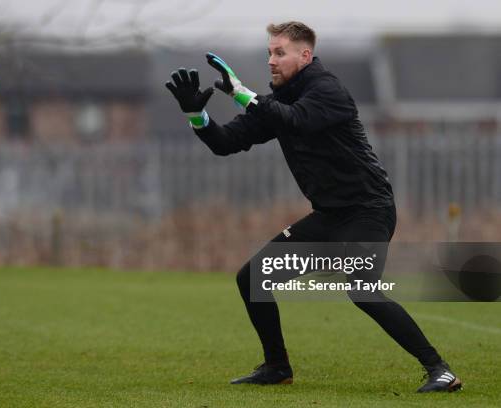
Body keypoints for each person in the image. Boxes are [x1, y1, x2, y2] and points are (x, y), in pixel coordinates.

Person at [165, 21, 461, 393]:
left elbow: (298, 121)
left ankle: (440, 370)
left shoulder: (327, 90)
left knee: (362, 289)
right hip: (330, 217)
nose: (271, 60)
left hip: (368, 211)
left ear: (305, 56)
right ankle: (277, 367)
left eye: (279, 52)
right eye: (269, 52)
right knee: (252, 278)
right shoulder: (277, 102)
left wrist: (240, 92)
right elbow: (226, 142)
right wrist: (197, 116)